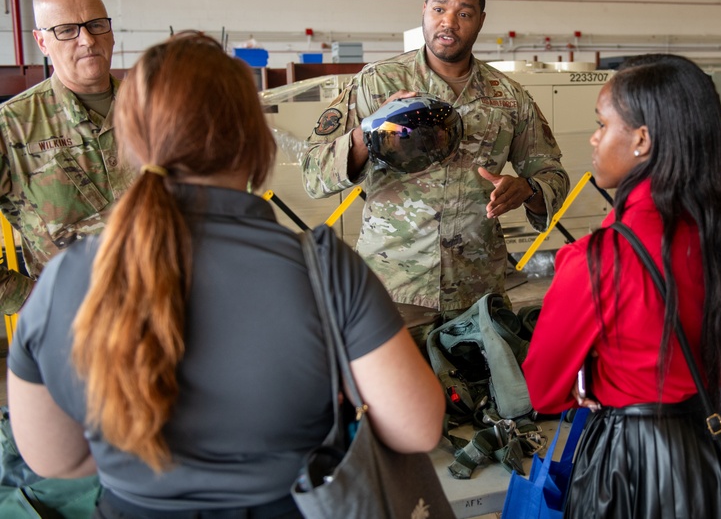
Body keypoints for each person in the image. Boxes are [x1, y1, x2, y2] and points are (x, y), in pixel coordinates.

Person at [6, 34, 445, 517]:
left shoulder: (65, 276)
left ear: (130, 140)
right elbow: (417, 428)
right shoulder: (322, 269)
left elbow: (52, 457)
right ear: (255, 138)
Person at [522, 56, 721, 518]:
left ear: (642, 139)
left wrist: (584, 377)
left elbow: (543, 390)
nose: (594, 139)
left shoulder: (599, 259)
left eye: (601, 125)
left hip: (636, 468)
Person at [302, 0, 569, 316]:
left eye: (464, 13)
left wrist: (527, 191)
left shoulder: (508, 97)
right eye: (439, 9)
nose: (449, 22)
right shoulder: (377, 83)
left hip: (478, 294)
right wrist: (372, 129)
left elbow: (553, 174)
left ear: (481, 20)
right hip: (394, 289)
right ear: (424, 10)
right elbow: (312, 172)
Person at [0, 0, 132, 315]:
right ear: (42, 42)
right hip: (76, 329)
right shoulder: (11, 126)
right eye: (66, 30)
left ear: (111, 30)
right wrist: (28, 299)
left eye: (96, 24)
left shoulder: (153, 108)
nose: (87, 39)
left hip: (172, 316)